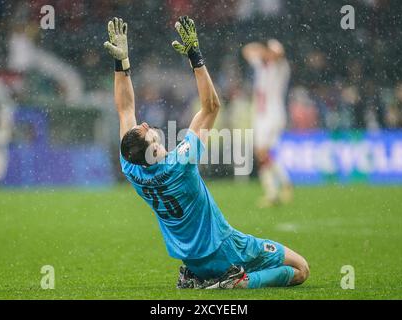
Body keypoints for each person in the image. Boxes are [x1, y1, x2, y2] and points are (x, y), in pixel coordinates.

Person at [104, 16, 309, 289]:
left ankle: (201, 277)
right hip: (227, 247)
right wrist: (195, 57)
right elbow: (211, 107)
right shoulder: (181, 162)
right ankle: (239, 282)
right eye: (146, 131)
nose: (143, 124)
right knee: (300, 268)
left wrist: (121, 65)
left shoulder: (132, 167)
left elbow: (125, 109)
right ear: (153, 147)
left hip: (192, 260)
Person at [242, 40, 293, 207]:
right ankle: (274, 192)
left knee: (262, 153)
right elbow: (247, 50)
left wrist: (270, 52)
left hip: (273, 115)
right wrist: (261, 49)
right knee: (263, 155)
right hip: (261, 116)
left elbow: (279, 55)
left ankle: (281, 186)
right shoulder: (261, 65)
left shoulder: (281, 67)